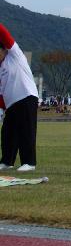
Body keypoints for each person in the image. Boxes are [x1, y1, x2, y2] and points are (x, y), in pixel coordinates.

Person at [0, 23, 40, 171]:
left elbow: (4, 34)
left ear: (4, 49)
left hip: (26, 97)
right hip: (11, 105)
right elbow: (1, 93)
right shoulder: (0, 68)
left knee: (26, 130)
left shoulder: (15, 55)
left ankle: (29, 162)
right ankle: (7, 161)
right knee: (7, 133)